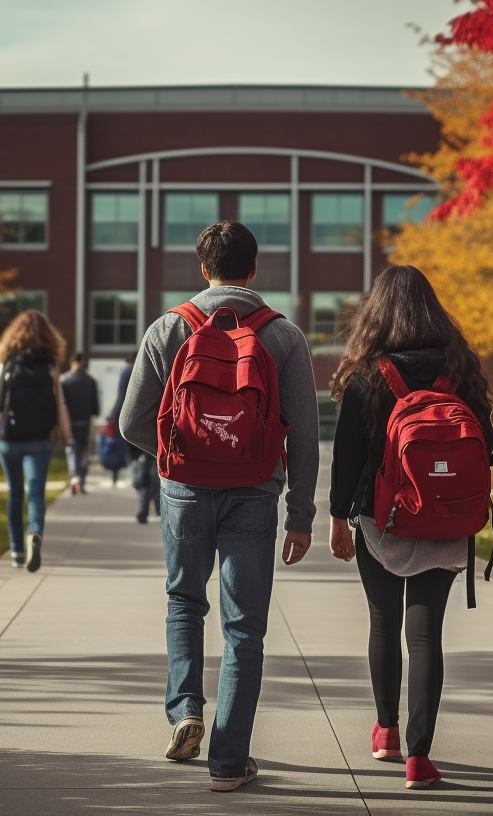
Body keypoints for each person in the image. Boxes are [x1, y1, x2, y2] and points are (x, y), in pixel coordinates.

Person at [120, 221, 320, 792]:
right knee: (244, 628)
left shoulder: (168, 328)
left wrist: (180, 452)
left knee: (184, 601)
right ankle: (230, 762)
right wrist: (301, 517)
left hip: (184, 490)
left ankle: (185, 711)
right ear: (254, 270)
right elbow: (305, 437)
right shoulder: (283, 337)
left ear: (202, 269)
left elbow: (133, 422)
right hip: (255, 492)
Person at [326, 265, 493, 790]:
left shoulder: (367, 376)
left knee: (384, 624)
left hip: (383, 523)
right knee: (426, 636)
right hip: (447, 524)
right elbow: (484, 447)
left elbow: (348, 458)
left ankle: (386, 732)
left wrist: (337, 519)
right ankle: (420, 759)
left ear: (375, 314)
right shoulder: (461, 369)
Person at [0, 309, 72, 572]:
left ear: (13, 335)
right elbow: (59, 401)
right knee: (36, 491)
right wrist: (68, 434)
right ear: (48, 336)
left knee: (15, 494)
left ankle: (16, 551)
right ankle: (34, 534)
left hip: (9, 439)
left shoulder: (8, 361)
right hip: (40, 439)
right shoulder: (50, 363)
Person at [59, 352, 100, 495]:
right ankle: (81, 480)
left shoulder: (64, 380)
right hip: (85, 421)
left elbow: (60, 403)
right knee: (83, 451)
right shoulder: (90, 380)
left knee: (71, 450)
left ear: (71, 363)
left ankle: (74, 477)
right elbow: (95, 406)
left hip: (69, 422)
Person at [100, 355, 135, 486]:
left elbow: (121, 395)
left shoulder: (127, 371)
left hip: (125, 416)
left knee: (121, 447)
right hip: (140, 415)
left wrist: (113, 416)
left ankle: (124, 475)